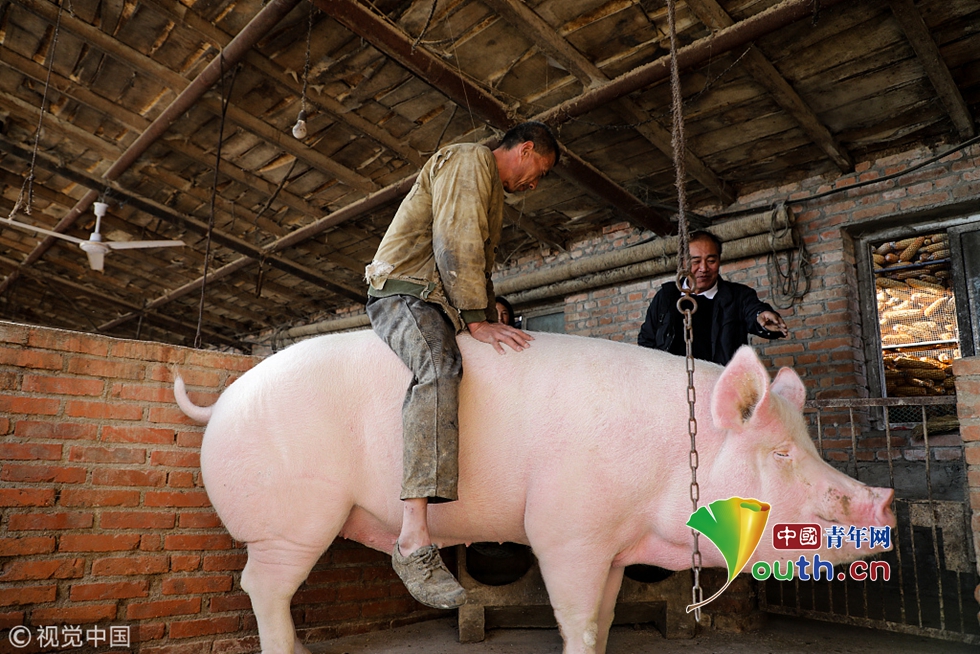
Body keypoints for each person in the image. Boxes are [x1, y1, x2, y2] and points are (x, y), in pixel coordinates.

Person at [364, 122, 559, 609]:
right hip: (404, 293)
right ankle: (413, 539)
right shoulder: (470, 159)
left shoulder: (488, 186)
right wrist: (477, 320)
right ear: (525, 149)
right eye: (540, 170)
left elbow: (476, 264)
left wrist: (485, 314)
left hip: (435, 300)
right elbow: (458, 242)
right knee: (438, 367)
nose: (536, 184)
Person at [637, 230, 788, 365]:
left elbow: (754, 311)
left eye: (711, 261)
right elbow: (646, 340)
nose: (703, 268)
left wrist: (761, 316)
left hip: (719, 382)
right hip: (673, 382)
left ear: (719, 260)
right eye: (696, 261)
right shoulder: (666, 296)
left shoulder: (738, 296)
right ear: (683, 262)